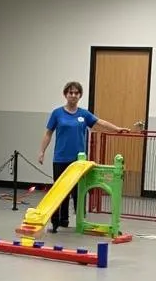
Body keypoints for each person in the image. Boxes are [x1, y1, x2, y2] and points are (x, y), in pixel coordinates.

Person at [37, 81, 125, 233]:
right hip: (60, 158)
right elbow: (48, 133)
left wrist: (117, 129)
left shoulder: (84, 114)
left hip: (79, 160)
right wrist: (42, 151)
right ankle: (58, 221)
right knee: (60, 191)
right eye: (70, 92)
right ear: (66, 94)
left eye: (76, 93)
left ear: (80, 95)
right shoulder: (57, 113)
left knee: (78, 191)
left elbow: (100, 122)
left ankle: (80, 220)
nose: (73, 95)